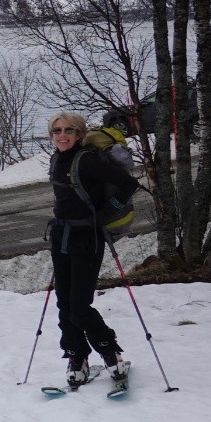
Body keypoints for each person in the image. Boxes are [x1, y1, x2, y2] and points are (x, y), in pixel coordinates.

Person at [46, 111, 140, 386]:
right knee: (64, 303)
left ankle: (110, 353)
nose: (62, 136)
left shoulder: (88, 159)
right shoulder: (56, 159)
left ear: (79, 134)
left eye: (69, 131)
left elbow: (128, 184)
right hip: (61, 235)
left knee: (79, 305)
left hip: (88, 237)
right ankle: (77, 356)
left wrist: (106, 213)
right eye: (57, 131)